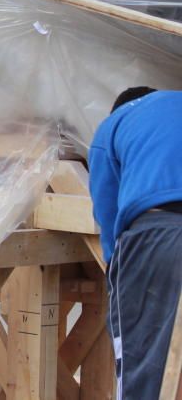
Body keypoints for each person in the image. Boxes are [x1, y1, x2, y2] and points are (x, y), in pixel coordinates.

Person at [88, 87, 182, 400]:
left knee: (142, 360)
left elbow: (107, 212)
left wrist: (115, 270)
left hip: (159, 235)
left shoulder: (114, 124)